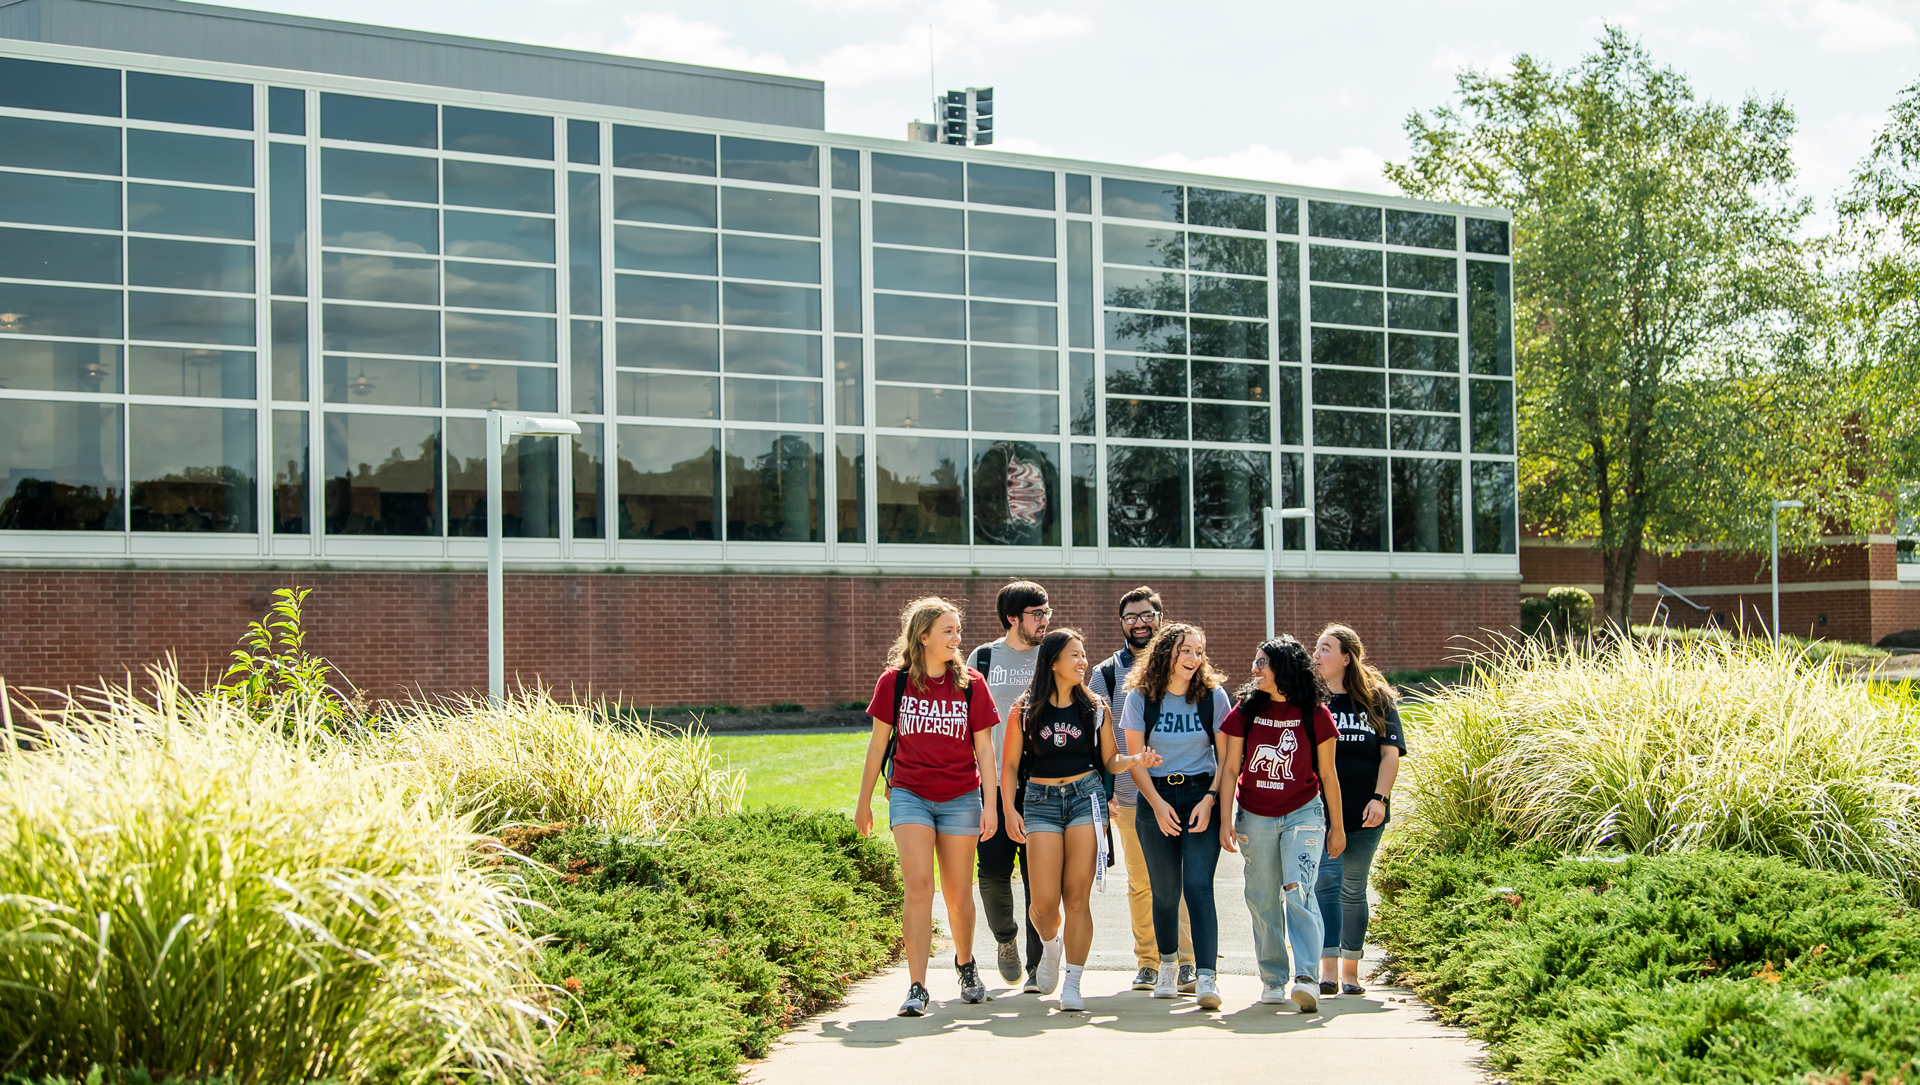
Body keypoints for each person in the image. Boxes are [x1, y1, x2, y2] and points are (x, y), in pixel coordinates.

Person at [1001, 629, 1162, 1011]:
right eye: (1074, 655)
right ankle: (1051, 944)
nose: (1082, 661)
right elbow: (1008, 765)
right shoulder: (1025, 709)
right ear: (1053, 661)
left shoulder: (1095, 708)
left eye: (1084, 653)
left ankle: (1073, 982)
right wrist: (1009, 809)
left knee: (1076, 897)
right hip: (1039, 800)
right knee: (1042, 905)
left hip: (1084, 799)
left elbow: (1110, 760)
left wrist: (1135, 760)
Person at [855, 596, 1001, 1017]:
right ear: (923, 637)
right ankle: (917, 985)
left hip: (960, 797)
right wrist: (863, 802)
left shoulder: (972, 683)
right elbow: (877, 744)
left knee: (958, 894)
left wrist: (989, 805)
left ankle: (966, 964)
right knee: (918, 887)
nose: (958, 638)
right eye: (949, 631)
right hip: (910, 794)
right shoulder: (895, 682)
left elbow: (985, 752)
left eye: (958, 629)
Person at [1219, 636, 1345, 1013]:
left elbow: (1328, 774)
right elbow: (1229, 767)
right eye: (1255, 662)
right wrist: (1226, 818)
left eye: (1262, 663)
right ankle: (1272, 979)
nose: (1255, 669)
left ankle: (1306, 977)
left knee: (1298, 890)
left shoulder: (1314, 713)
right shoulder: (1247, 710)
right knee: (1261, 898)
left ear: (1283, 668)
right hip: (1255, 815)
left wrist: (1336, 827)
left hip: (1303, 814)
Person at [1121, 622, 1234, 1010]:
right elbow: (1135, 760)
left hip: (1202, 795)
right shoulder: (1140, 698)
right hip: (1157, 796)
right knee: (1165, 891)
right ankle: (1167, 967)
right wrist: (1154, 802)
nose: (1193, 658)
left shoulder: (1213, 697)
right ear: (1166, 652)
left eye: (1199, 652)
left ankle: (1206, 976)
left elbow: (1225, 758)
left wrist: (1210, 798)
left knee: (1198, 887)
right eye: (1186, 650)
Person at [1089, 586, 1195, 993]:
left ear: (1160, 618)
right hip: (1131, 794)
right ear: (1122, 623)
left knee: (1182, 879)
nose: (1139, 623)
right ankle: (1149, 962)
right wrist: (1107, 787)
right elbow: (1102, 738)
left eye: (1146, 615)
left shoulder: (1186, 665)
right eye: (1131, 617)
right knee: (1141, 882)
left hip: (1184, 791)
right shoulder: (1107, 673)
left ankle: (1186, 962)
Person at [1310, 624, 1406, 998]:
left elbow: (1390, 754)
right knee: (1325, 885)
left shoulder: (1377, 700)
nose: (1316, 655)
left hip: (1366, 813)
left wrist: (1380, 798)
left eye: (1325, 649)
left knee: (1353, 889)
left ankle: (1351, 971)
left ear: (1346, 658)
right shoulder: (1311, 700)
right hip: (1320, 813)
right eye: (1316, 649)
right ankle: (1328, 971)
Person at [969, 580, 1051, 990]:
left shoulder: (1051, 656)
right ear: (1012, 618)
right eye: (1037, 614)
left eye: (1046, 612)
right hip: (992, 784)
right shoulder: (982, 659)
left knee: (1039, 875)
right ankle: (1006, 940)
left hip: (1042, 784)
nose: (1044, 621)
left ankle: (1038, 965)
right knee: (994, 870)